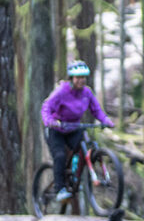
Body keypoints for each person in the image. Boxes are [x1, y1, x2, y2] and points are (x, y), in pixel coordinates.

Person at [41, 61, 115, 202]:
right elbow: (46, 107)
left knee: (85, 149)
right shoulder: (61, 91)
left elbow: (96, 110)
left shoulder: (87, 92)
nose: (81, 80)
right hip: (56, 130)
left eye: (83, 77)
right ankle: (59, 189)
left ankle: (77, 177)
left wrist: (106, 120)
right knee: (60, 156)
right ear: (71, 78)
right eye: (77, 77)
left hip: (74, 128)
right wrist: (50, 120)